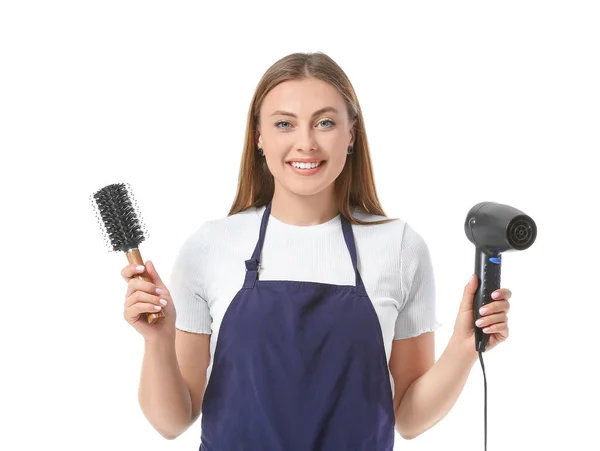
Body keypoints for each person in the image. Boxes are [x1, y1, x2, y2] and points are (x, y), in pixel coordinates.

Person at [121, 51, 512, 450]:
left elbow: (408, 418)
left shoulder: (398, 247)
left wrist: (464, 349)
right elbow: (172, 421)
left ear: (351, 134)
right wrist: (157, 340)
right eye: (284, 124)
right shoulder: (209, 247)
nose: (305, 143)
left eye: (325, 123)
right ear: (259, 136)